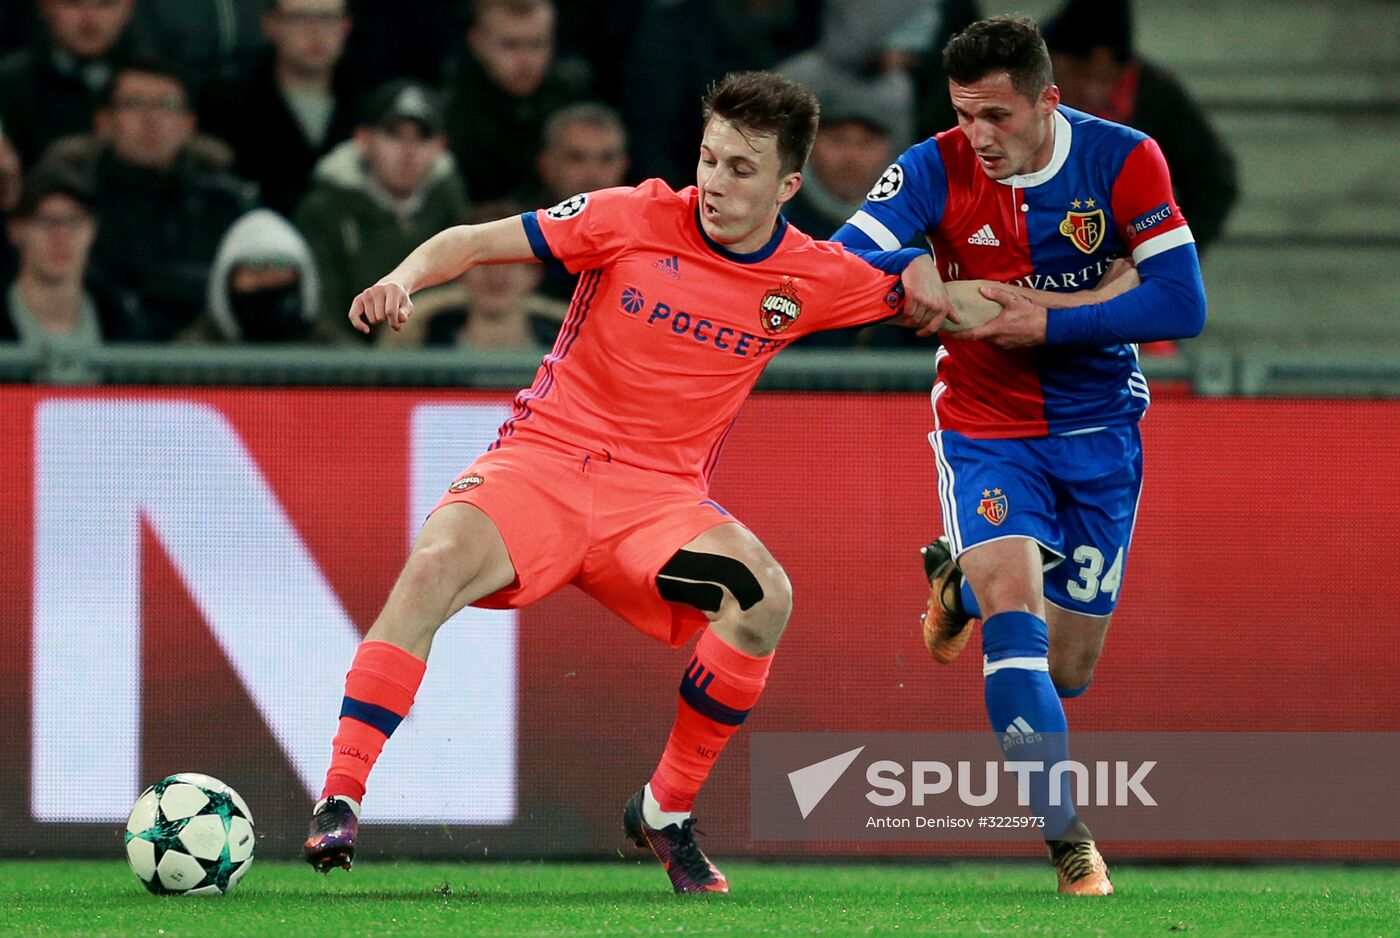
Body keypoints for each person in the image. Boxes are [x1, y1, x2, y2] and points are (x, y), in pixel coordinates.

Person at [301, 70, 947, 893]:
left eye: (741, 169)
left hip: (657, 506)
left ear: (790, 185)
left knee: (765, 600)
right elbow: (468, 241)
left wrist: (929, 269)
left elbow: (945, 301)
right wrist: (403, 278)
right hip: (540, 466)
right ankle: (341, 796)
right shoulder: (631, 216)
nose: (714, 181)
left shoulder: (813, 276)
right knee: (429, 569)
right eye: (709, 158)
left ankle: (666, 810)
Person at [833, 17, 1206, 895]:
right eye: (966, 116)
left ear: (1048, 100)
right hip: (984, 424)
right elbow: (838, 257)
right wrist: (905, 271)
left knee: (1069, 671)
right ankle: (1066, 839)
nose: (980, 138)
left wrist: (1053, 320)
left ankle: (951, 582)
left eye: (997, 116)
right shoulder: (931, 165)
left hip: (1098, 430)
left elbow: (1182, 302)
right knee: (1016, 608)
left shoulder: (1124, 159)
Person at [35, 55, 255, 341]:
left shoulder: (227, 203)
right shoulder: (70, 202)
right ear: (103, 122)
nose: (151, 120)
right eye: (134, 104)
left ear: (189, 125)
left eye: (166, 106)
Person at [1042, 0, 1237, 257]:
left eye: (1105, 78)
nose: (1091, 91)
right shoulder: (1009, 86)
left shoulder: (1153, 97)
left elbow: (1212, 183)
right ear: (1048, 60)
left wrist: (1161, 257)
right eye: (1079, 73)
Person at [293, 79, 469, 344]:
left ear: (440, 146)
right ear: (363, 140)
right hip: (354, 374)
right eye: (394, 136)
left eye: (422, 137)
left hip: (446, 370)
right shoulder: (324, 211)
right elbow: (320, 315)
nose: (408, 152)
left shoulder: (454, 206)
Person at [199, 0, 362, 216]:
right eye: (299, 17)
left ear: (346, 26)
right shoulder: (224, 109)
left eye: (328, 17)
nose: (315, 31)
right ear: (269, 25)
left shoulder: (369, 107)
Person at [441, 0, 590, 202]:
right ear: (476, 43)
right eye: (510, 45)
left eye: (537, 44)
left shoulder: (574, 94)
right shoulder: (451, 109)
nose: (526, 60)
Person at [1, 169, 138, 382]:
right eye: (46, 221)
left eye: (74, 222)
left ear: (93, 230)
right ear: (16, 230)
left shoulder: (120, 318)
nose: (61, 236)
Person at [0, 0, 136, 168]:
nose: (90, 21)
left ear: (128, 9)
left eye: (105, 4)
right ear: (45, 9)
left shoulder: (158, 82)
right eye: (73, 4)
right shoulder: (9, 83)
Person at [186, 207, 319, 342]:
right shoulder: (190, 356)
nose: (267, 278)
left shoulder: (329, 352)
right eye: (255, 266)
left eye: (279, 265)